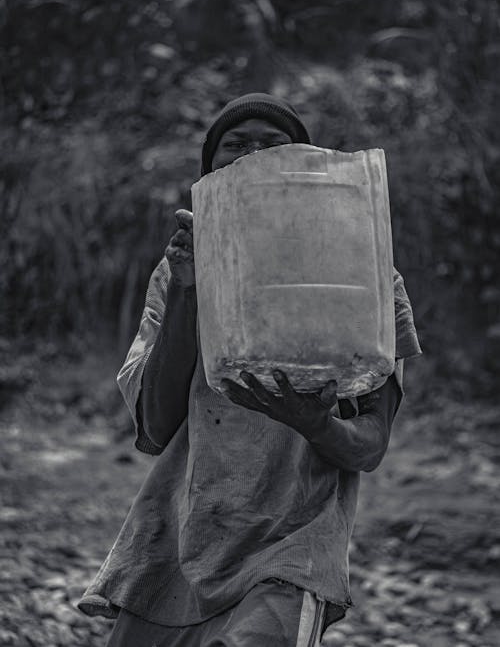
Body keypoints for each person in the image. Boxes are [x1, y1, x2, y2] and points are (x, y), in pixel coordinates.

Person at [77, 92, 422, 646]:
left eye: (274, 144)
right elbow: (154, 426)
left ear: (308, 167)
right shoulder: (177, 273)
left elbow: (369, 446)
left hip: (293, 550)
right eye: (236, 145)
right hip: (178, 543)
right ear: (208, 172)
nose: (253, 155)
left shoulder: (370, 280)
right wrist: (191, 289)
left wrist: (315, 423)